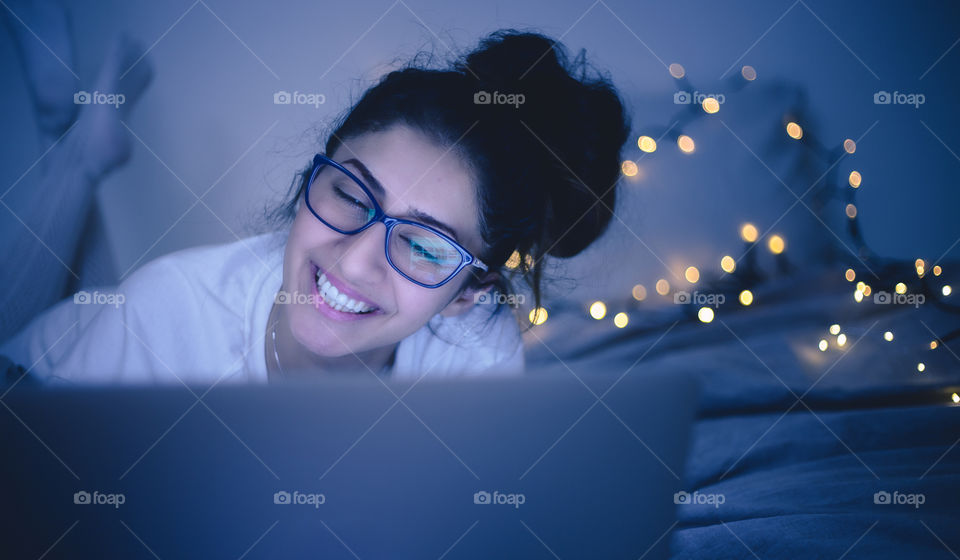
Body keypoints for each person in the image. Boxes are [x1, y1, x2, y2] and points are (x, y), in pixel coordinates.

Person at [1, 25, 630, 385]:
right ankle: (82, 145)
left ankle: (82, 139)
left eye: (423, 244)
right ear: (313, 177)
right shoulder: (168, 313)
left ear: (472, 289)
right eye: (353, 196)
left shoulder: (476, 351)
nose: (354, 263)